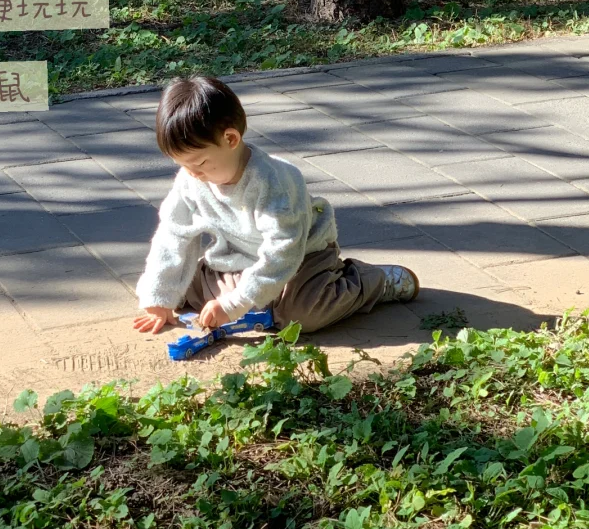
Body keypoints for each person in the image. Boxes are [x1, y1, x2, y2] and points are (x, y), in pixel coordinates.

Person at [133, 75, 419, 336]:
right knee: (184, 290)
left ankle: (371, 281)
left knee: (301, 316)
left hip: (303, 258)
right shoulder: (191, 179)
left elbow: (283, 250)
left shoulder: (274, 182)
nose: (192, 174)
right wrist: (159, 297)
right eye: (182, 165)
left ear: (230, 139)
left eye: (200, 163)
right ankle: (260, 297)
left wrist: (234, 303)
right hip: (240, 258)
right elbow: (172, 235)